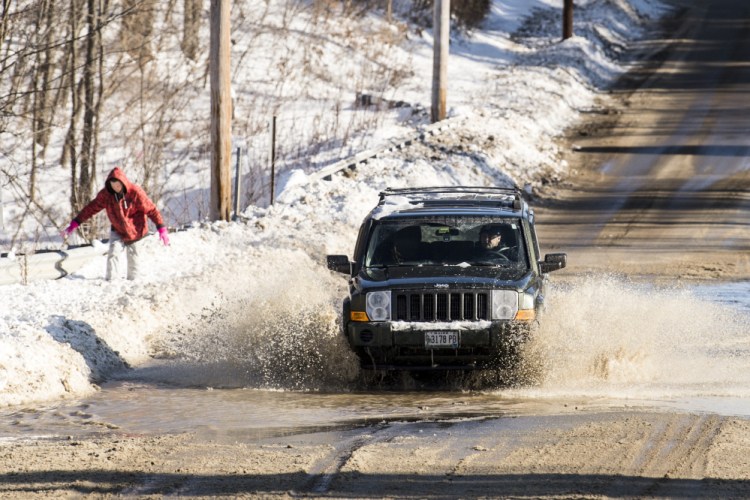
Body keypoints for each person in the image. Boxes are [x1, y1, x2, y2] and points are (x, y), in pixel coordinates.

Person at [62, 167, 169, 280]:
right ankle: (111, 281)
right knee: (113, 252)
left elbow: (151, 209)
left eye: (118, 186)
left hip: (136, 230)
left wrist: (161, 228)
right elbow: (91, 208)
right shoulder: (106, 195)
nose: (116, 189)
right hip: (117, 229)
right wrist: (75, 223)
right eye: (113, 186)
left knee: (134, 257)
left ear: (123, 183)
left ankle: (134, 282)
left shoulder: (135, 193)